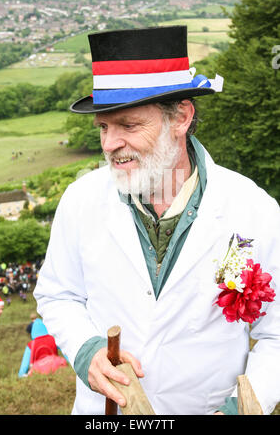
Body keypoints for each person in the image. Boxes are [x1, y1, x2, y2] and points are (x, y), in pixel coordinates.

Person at [34, 26, 280, 415]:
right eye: (103, 127)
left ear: (181, 117)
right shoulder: (80, 200)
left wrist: (242, 408)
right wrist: (87, 351)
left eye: (128, 125)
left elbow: (277, 335)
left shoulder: (254, 209)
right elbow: (57, 294)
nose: (109, 144)